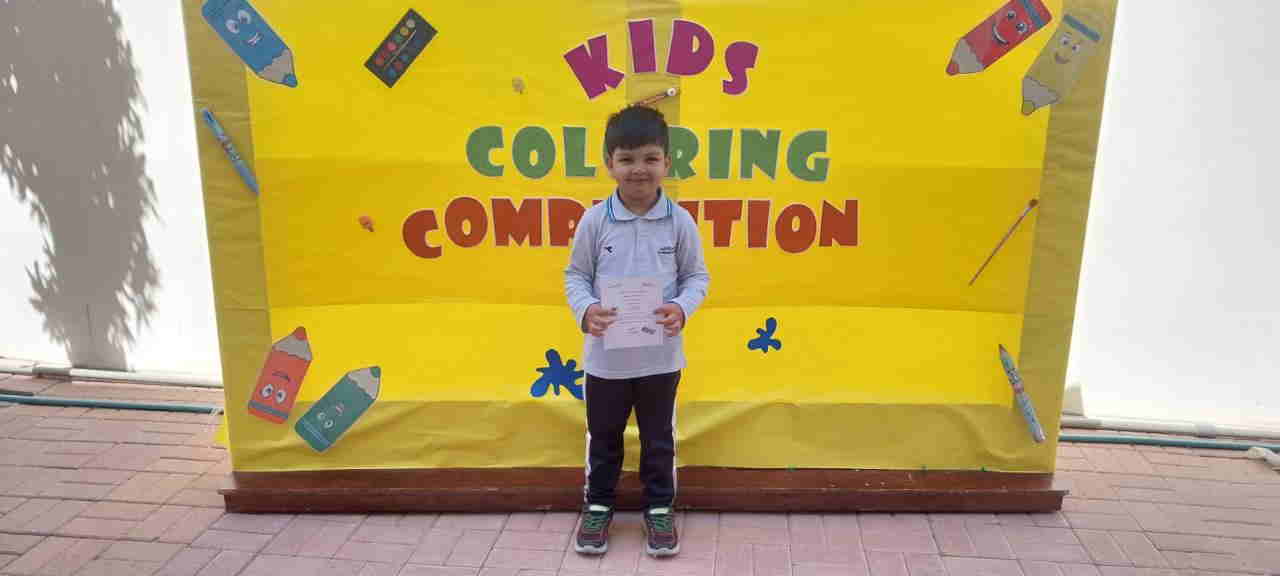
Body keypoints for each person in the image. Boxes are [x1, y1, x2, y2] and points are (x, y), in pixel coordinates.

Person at [564, 105, 710, 557]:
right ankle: (598, 505)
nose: (639, 170)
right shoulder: (594, 221)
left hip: (660, 360)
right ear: (609, 163)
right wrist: (586, 310)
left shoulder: (680, 222)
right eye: (626, 159)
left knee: (658, 439)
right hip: (605, 361)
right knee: (603, 438)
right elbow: (575, 276)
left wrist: (681, 308)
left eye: (650, 158)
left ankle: (660, 508)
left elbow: (697, 277)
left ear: (667, 162)